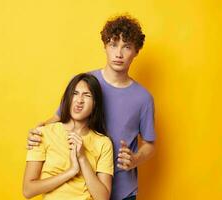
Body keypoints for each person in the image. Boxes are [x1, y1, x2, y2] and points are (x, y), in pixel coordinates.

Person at [27, 15, 156, 200]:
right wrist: (37, 132)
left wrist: (135, 159)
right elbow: (59, 117)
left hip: (123, 191)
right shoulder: (85, 84)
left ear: (136, 51)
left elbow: (150, 145)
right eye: (113, 44)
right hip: (83, 189)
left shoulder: (143, 98)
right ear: (105, 46)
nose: (118, 54)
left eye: (126, 46)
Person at [23, 73, 114, 200]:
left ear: (95, 104)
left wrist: (82, 158)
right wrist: (71, 171)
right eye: (75, 94)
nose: (79, 100)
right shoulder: (44, 133)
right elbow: (28, 190)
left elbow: (103, 198)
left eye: (87, 95)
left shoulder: (103, 143)